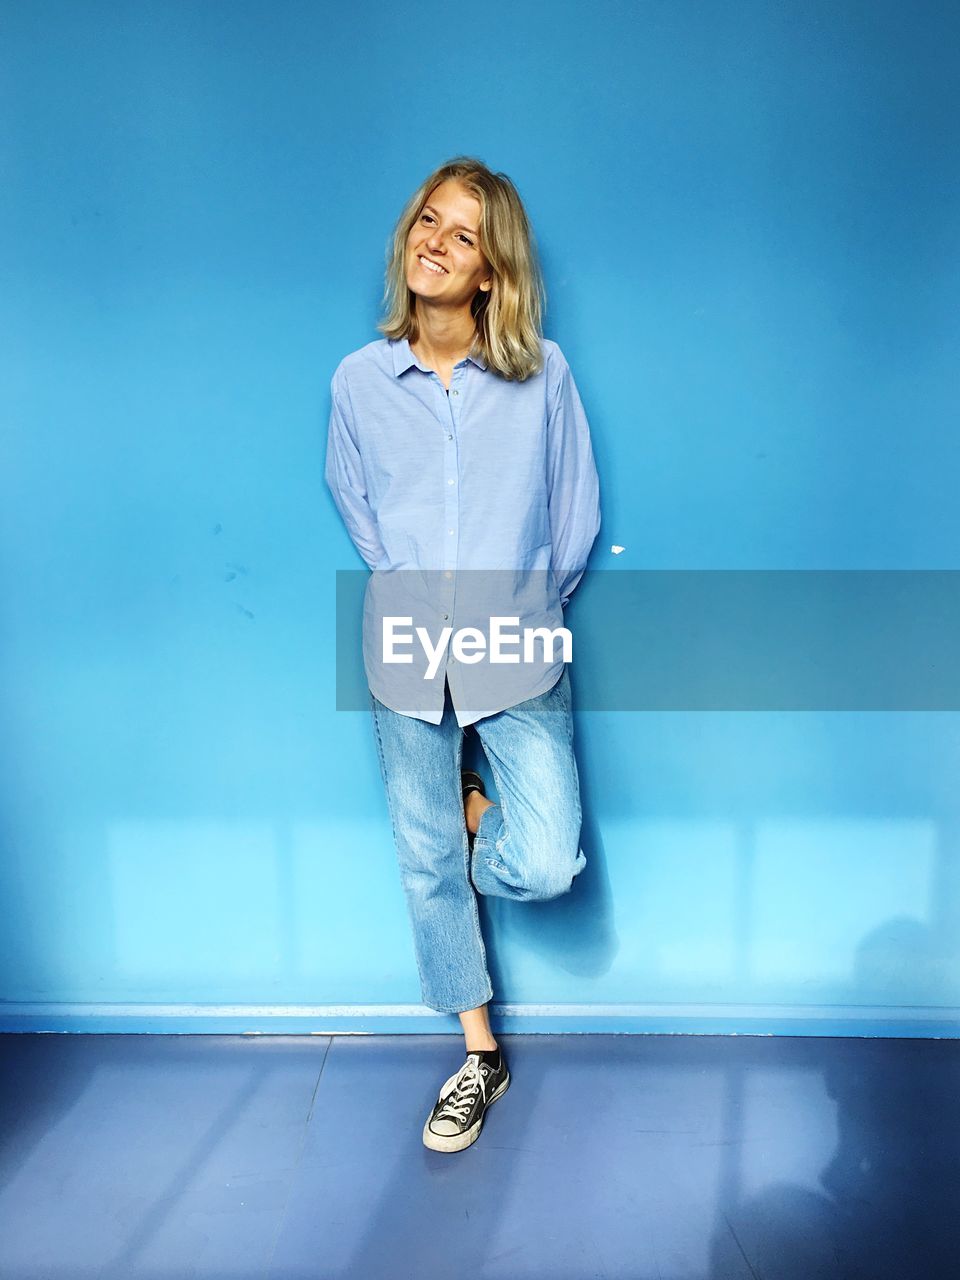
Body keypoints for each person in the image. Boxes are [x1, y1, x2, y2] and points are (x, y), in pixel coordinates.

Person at [324, 156, 601, 1153]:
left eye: (463, 234)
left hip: (516, 641)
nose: (434, 242)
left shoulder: (543, 374)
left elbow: (574, 521)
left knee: (550, 856)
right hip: (404, 650)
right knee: (426, 861)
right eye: (426, 222)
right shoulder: (359, 381)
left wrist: (521, 608)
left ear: (492, 270)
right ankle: (479, 1053)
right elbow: (360, 512)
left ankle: (476, 805)